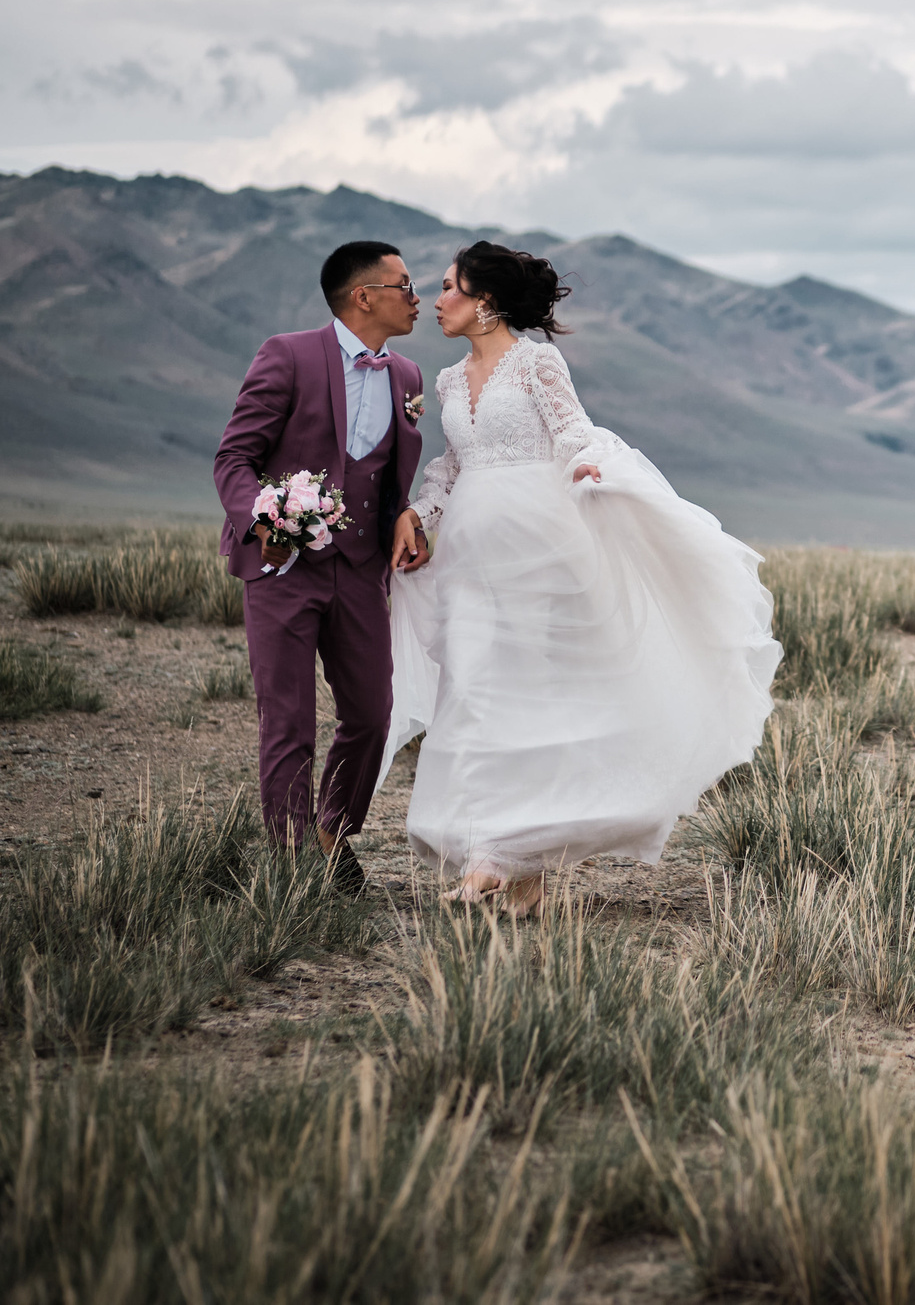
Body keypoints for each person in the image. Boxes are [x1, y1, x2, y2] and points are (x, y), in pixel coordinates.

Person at [384, 240, 779, 913]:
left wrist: (586, 468)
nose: (437, 299)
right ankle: (503, 859)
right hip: (470, 558)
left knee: (527, 697)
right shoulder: (448, 381)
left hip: (540, 547)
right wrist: (415, 514)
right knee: (473, 689)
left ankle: (502, 860)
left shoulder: (538, 363)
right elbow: (451, 467)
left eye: (449, 287)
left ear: (485, 301)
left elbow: (571, 432)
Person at [213, 240, 429, 889]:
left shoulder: (410, 379)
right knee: (289, 721)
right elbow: (233, 458)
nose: (416, 297)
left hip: (361, 571)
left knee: (371, 714)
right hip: (282, 569)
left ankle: (332, 830)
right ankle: (291, 861)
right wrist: (266, 518)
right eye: (404, 284)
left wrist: (403, 517)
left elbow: (388, 476)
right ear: (364, 296)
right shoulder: (289, 355)